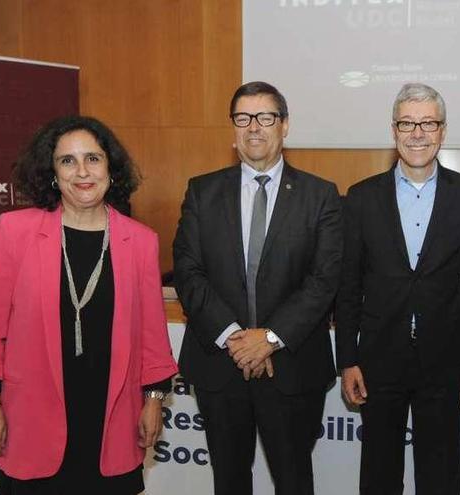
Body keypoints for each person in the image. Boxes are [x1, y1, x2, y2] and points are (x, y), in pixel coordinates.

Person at [0, 115, 178, 495]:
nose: (82, 171)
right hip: (30, 417)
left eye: (93, 158)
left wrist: (153, 400)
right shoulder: (15, 231)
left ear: (110, 168)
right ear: (52, 172)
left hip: (111, 419)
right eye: (68, 160)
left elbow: (152, 336)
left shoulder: (141, 241)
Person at [173, 81, 342, 495]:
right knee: (228, 482)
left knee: (294, 481)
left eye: (265, 117)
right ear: (233, 130)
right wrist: (235, 338)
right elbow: (187, 270)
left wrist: (267, 338)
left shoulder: (321, 196)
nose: (254, 128)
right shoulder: (202, 190)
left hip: (292, 365)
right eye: (243, 118)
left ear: (284, 126)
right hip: (220, 365)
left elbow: (324, 280)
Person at [336, 83, 460, 494]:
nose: (417, 132)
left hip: (445, 358)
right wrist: (347, 359)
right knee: (380, 474)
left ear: (442, 130)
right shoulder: (362, 198)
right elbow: (348, 287)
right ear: (393, 129)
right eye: (407, 123)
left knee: (440, 476)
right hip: (378, 360)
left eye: (428, 123)